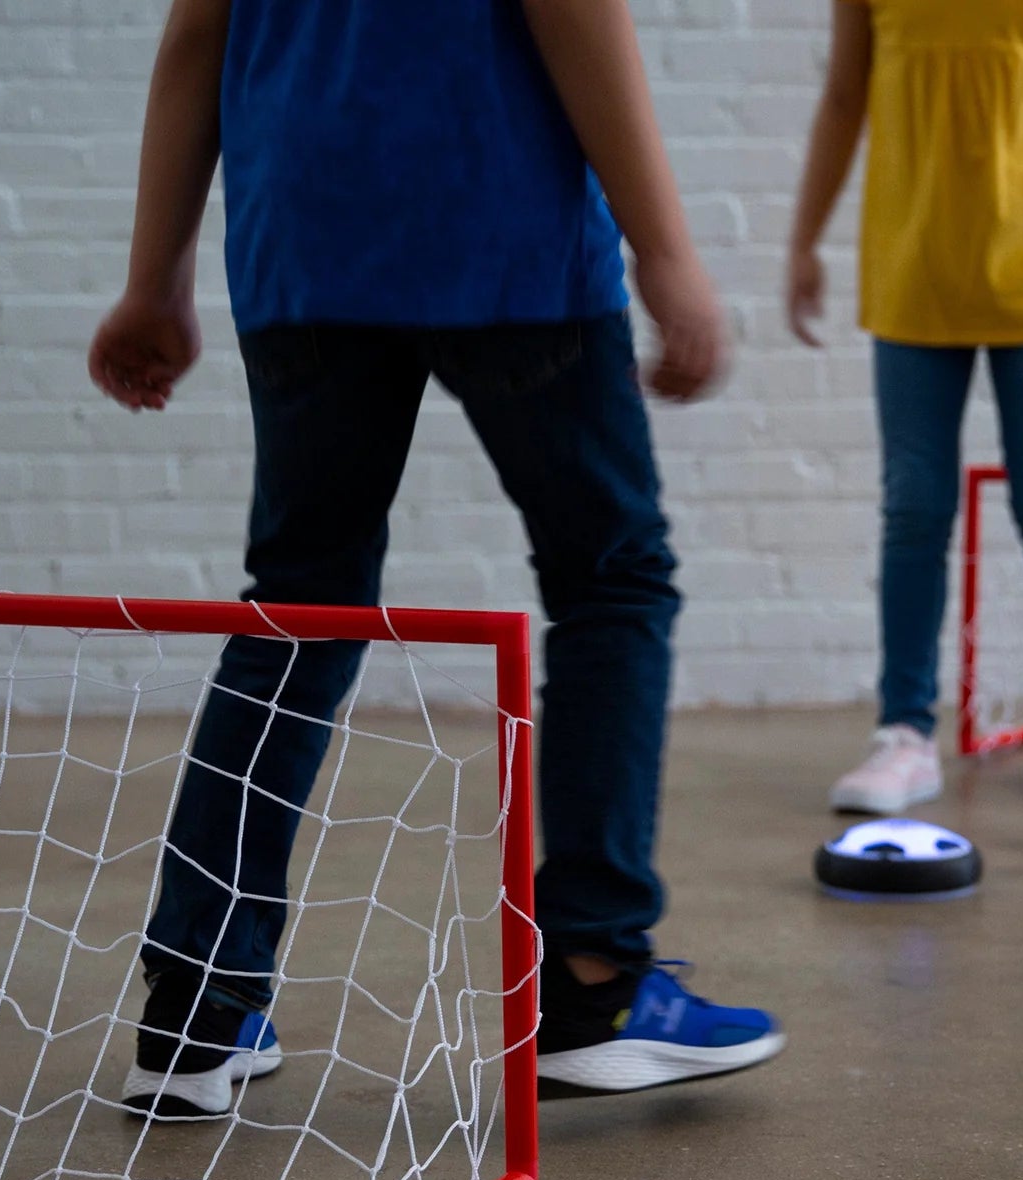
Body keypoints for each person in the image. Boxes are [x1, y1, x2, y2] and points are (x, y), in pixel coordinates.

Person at [89, 0, 783, 1117]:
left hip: (303, 241)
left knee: (299, 608)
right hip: (499, 222)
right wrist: (667, 254)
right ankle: (595, 985)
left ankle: (194, 1015)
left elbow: (195, 37)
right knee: (610, 580)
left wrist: (154, 277)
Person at [787, 0, 1023, 813]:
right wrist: (804, 240)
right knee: (914, 508)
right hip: (914, 270)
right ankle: (905, 732)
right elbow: (844, 95)